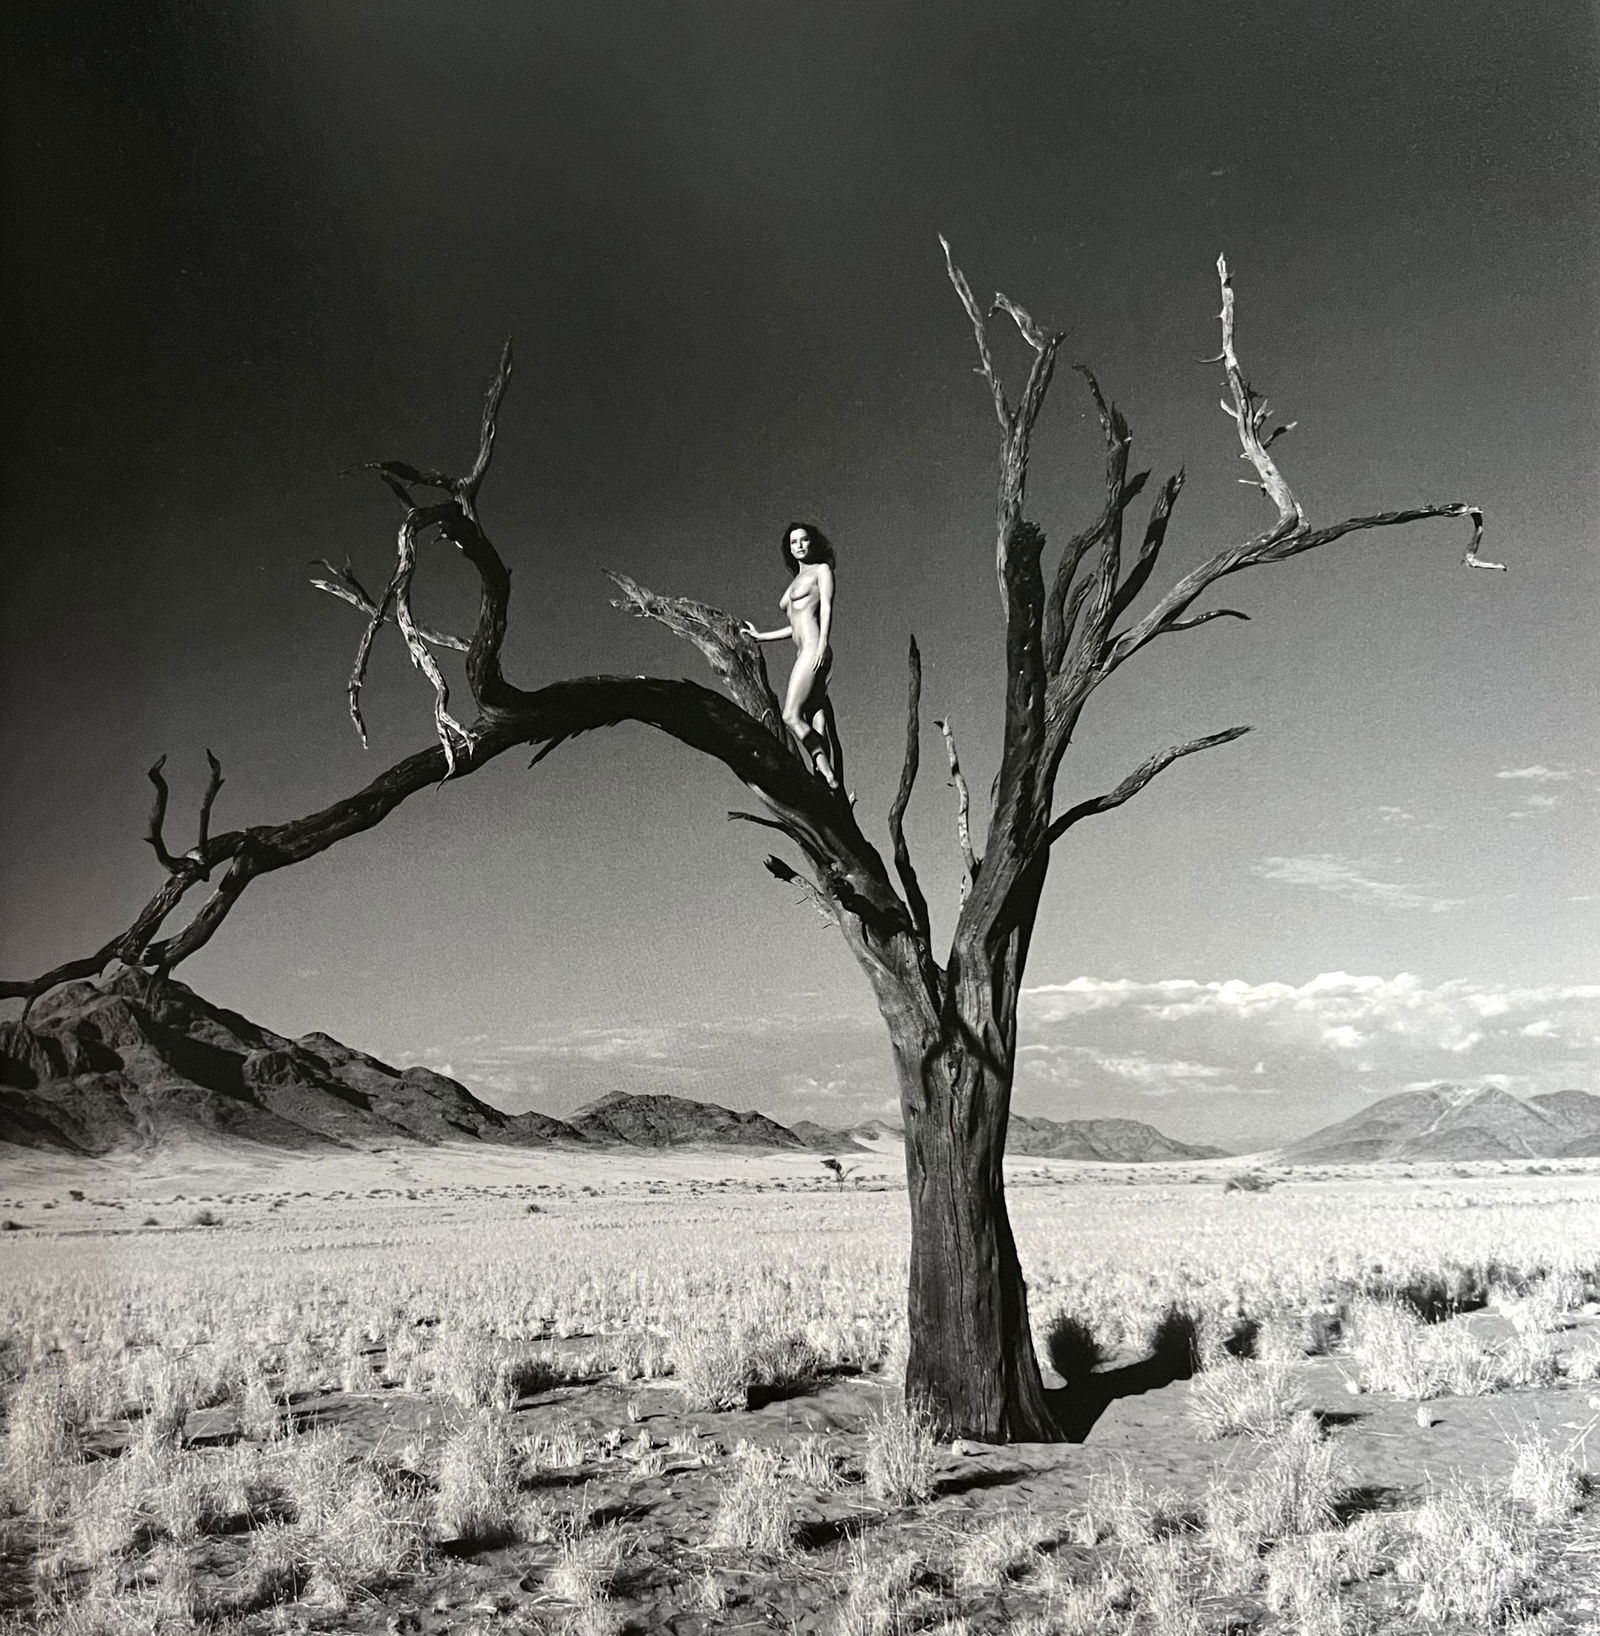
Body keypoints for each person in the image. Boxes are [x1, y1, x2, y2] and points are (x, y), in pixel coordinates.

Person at [743, 523, 844, 791]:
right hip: (805, 648)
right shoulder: (795, 582)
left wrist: (823, 644)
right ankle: (823, 777)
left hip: (814, 648)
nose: (799, 546)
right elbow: (795, 625)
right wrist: (762, 637)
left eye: (804, 540)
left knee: (790, 715)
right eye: (793, 542)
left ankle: (827, 774)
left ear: (813, 543)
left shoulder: (821, 570)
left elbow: (826, 609)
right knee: (814, 718)